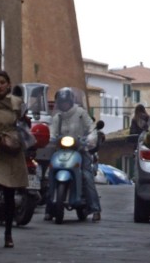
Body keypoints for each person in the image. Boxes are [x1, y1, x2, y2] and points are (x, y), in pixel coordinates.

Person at [44, 87, 102, 222]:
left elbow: (91, 128)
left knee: (86, 176)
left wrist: (90, 138)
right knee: (49, 173)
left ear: (71, 101)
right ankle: (49, 209)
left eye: (66, 102)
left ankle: (95, 209)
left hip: (80, 150)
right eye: (61, 102)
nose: (64, 104)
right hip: (61, 150)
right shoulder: (57, 117)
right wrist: (50, 137)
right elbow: (52, 131)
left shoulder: (81, 113)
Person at [0, 70, 29, 248]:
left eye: (2, 82)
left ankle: (8, 234)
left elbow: (24, 124)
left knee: (9, 193)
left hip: (11, 148)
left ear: (8, 84)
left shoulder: (17, 103)